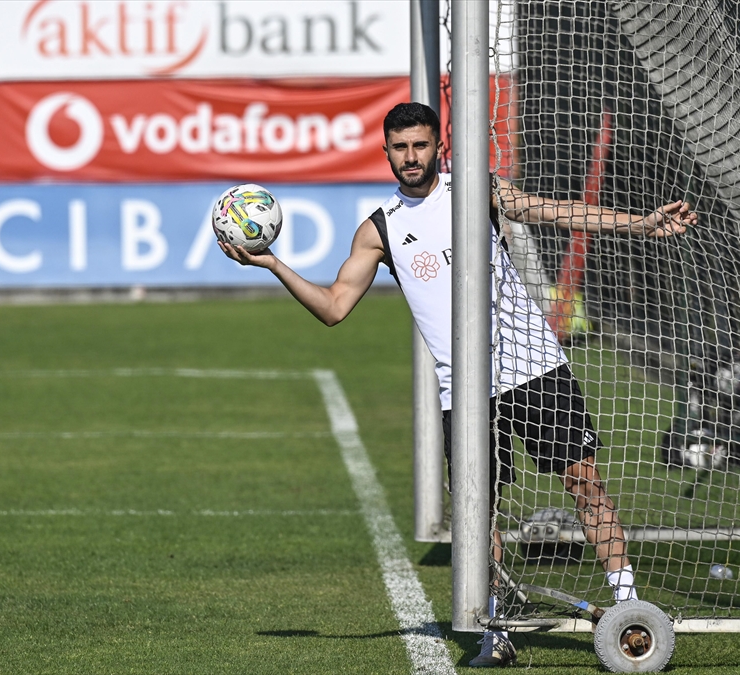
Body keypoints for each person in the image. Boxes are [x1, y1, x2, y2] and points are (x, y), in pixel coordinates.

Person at [220, 102, 695, 667]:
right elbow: (333, 307)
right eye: (400, 148)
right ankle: (494, 628)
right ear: (387, 152)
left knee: (584, 483)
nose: (411, 157)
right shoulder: (380, 231)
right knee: (479, 514)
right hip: (464, 393)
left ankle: (629, 609)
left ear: (437, 147)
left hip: (534, 366)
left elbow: (556, 213)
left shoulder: (475, 190)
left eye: (420, 145)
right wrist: (274, 265)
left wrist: (639, 223)